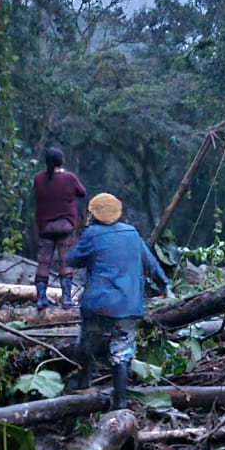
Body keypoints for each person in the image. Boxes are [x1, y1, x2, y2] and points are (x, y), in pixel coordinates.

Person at [66, 192, 171, 409]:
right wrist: (165, 286)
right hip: (129, 305)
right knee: (122, 352)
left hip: (98, 305)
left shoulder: (92, 234)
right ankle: (120, 402)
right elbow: (150, 263)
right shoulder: (132, 233)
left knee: (86, 341)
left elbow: (72, 260)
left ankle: (84, 383)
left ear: (93, 215)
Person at [32, 147, 86, 310]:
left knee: (43, 262)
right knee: (65, 261)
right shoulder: (69, 178)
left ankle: (41, 299)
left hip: (45, 227)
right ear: (61, 161)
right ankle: (67, 299)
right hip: (65, 226)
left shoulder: (38, 178)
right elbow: (82, 193)